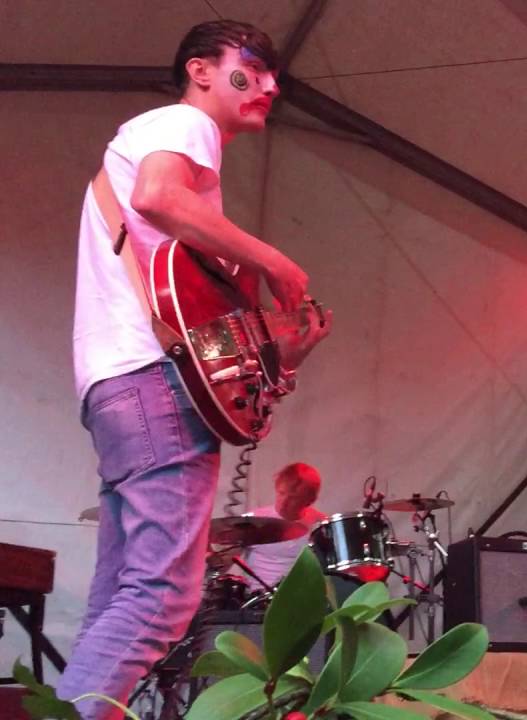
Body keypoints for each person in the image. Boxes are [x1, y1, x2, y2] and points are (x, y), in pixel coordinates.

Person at [60, 20, 331, 717]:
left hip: (124, 387)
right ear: (201, 70)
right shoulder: (183, 125)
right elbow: (156, 195)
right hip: (152, 386)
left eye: (275, 75)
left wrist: (281, 360)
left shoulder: (181, 181)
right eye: (253, 68)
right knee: (162, 597)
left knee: (121, 597)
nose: (271, 84)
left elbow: (211, 355)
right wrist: (277, 261)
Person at [241, 463, 327, 591]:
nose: (284, 502)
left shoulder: (320, 524)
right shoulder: (253, 521)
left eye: (293, 498)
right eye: (281, 493)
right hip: (258, 601)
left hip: (301, 599)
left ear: (309, 500)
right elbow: (223, 561)